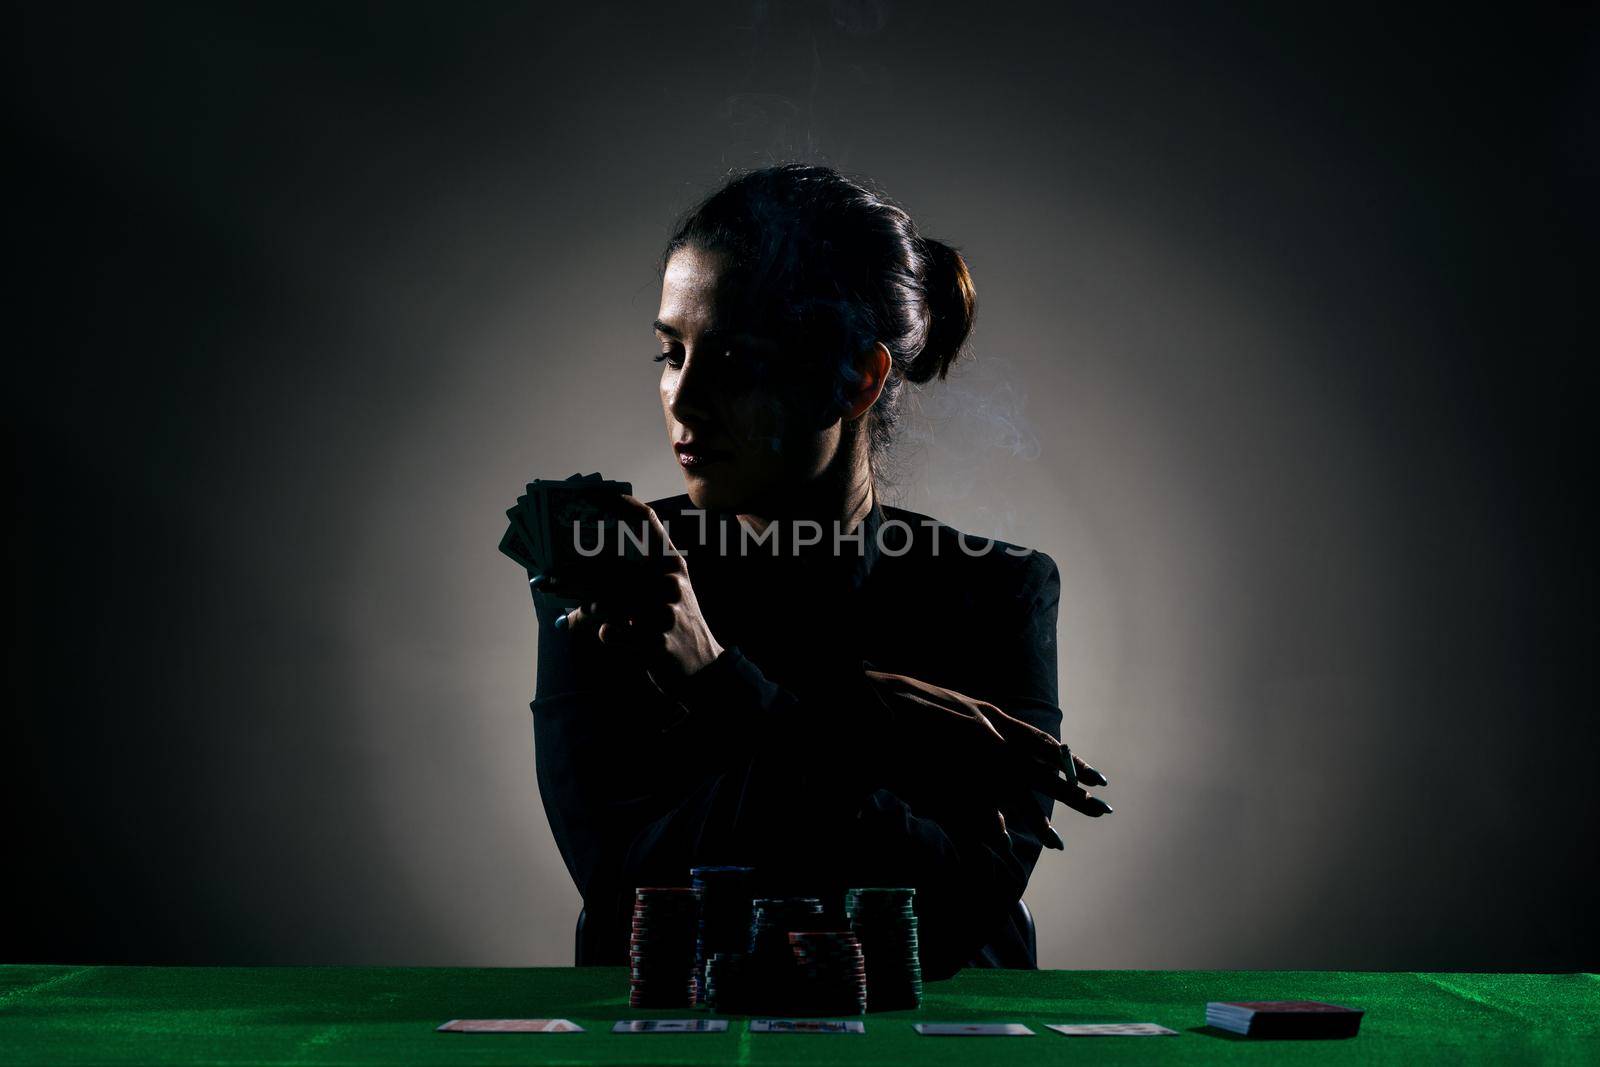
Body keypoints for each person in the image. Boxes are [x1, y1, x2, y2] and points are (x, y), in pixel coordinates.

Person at [526, 164, 1111, 979]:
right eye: (670, 352)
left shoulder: (996, 591)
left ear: (859, 377)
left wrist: (722, 685)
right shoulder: (616, 576)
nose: (682, 398)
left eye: (731, 358)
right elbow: (626, 899)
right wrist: (870, 714)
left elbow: (949, 916)